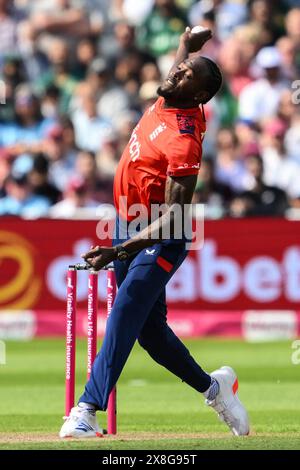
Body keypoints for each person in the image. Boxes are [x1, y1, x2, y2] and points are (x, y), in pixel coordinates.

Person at [59, 27, 249, 438]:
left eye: (185, 76)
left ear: (197, 96)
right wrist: (186, 45)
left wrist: (118, 251)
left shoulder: (185, 141)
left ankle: (87, 410)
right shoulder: (171, 94)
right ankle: (217, 389)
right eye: (179, 69)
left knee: (124, 311)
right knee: (152, 336)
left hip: (161, 233)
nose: (176, 74)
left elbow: (175, 216)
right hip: (126, 223)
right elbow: (178, 71)